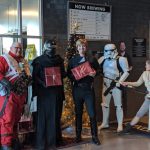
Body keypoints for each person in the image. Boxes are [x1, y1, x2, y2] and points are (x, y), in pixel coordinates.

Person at [32, 40, 66, 150]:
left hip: (56, 92)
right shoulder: (38, 61)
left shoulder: (59, 60)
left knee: (55, 116)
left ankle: (54, 141)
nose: (52, 51)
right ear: (46, 49)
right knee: (43, 117)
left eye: (54, 49)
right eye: (51, 49)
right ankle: (43, 141)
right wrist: (43, 82)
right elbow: (35, 76)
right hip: (44, 93)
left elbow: (63, 74)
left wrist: (59, 76)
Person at [67, 38, 101, 145]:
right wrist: (76, 75)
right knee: (78, 113)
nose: (82, 48)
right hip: (77, 89)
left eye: (84, 46)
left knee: (92, 114)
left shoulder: (91, 59)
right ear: (77, 48)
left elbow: (99, 70)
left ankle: (95, 136)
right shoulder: (73, 60)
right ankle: (78, 136)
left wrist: (95, 73)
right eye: (80, 46)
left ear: (86, 47)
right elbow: (68, 74)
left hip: (88, 89)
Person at [0, 42, 31, 150]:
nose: (18, 50)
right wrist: (4, 81)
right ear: (11, 48)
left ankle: (13, 141)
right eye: (16, 48)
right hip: (9, 96)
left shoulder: (23, 61)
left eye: (20, 48)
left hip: (20, 96)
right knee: (7, 120)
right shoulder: (4, 58)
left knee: (15, 119)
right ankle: (6, 145)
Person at [98, 43, 130, 132]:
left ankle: (120, 124)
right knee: (104, 105)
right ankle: (105, 123)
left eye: (111, 50)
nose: (108, 52)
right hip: (105, 85)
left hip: (115, 85)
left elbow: (126, 72)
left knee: (118, 106)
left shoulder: (121, 59)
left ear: (115, 50)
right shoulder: (102, 59)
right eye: (106, 50)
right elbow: (95, 68)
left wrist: (119, 82)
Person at [119, 60, 150, 134]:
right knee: (139, 114)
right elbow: (138, 83)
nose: (145, 66)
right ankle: (127, 129)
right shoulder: (145, 73)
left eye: (146, 65)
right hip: (148, 98)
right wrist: (127, 83)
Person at [119, 41, 133, 117]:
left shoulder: (127, 56)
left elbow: (131, 66)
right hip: (118, 79)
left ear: (125, 47)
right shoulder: (117, 55)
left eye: (123, 45)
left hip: (125, 79)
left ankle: (125, 113)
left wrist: (126, 72)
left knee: (124, 96)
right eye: (121, 46)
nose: (122, 47)